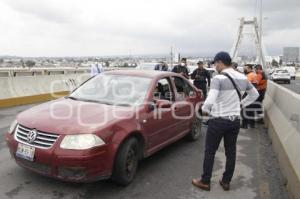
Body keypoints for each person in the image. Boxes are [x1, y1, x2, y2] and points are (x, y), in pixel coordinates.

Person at [192, 52, 259, 191]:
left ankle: (205, 181)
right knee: (231, 152)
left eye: (215, 63)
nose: (215, 66)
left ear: (220, 62)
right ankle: (226, 181)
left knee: (210, 151)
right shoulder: (243, 77)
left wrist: (204, 110)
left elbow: (210, 99)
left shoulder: (219, 78)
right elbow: (255, 94)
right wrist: (241, 104)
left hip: (218, 120)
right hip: (234, 121)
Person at [241, 64, 258, 129]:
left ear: (250, 68)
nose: (244, 70)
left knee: (245, 110)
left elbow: (245, 85)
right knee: (251, 110)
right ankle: (252, 124)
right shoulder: (254, 74)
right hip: (254, 94)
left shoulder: (249, 75)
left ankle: (244, 125)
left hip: (248, 94)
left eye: (245, 68)